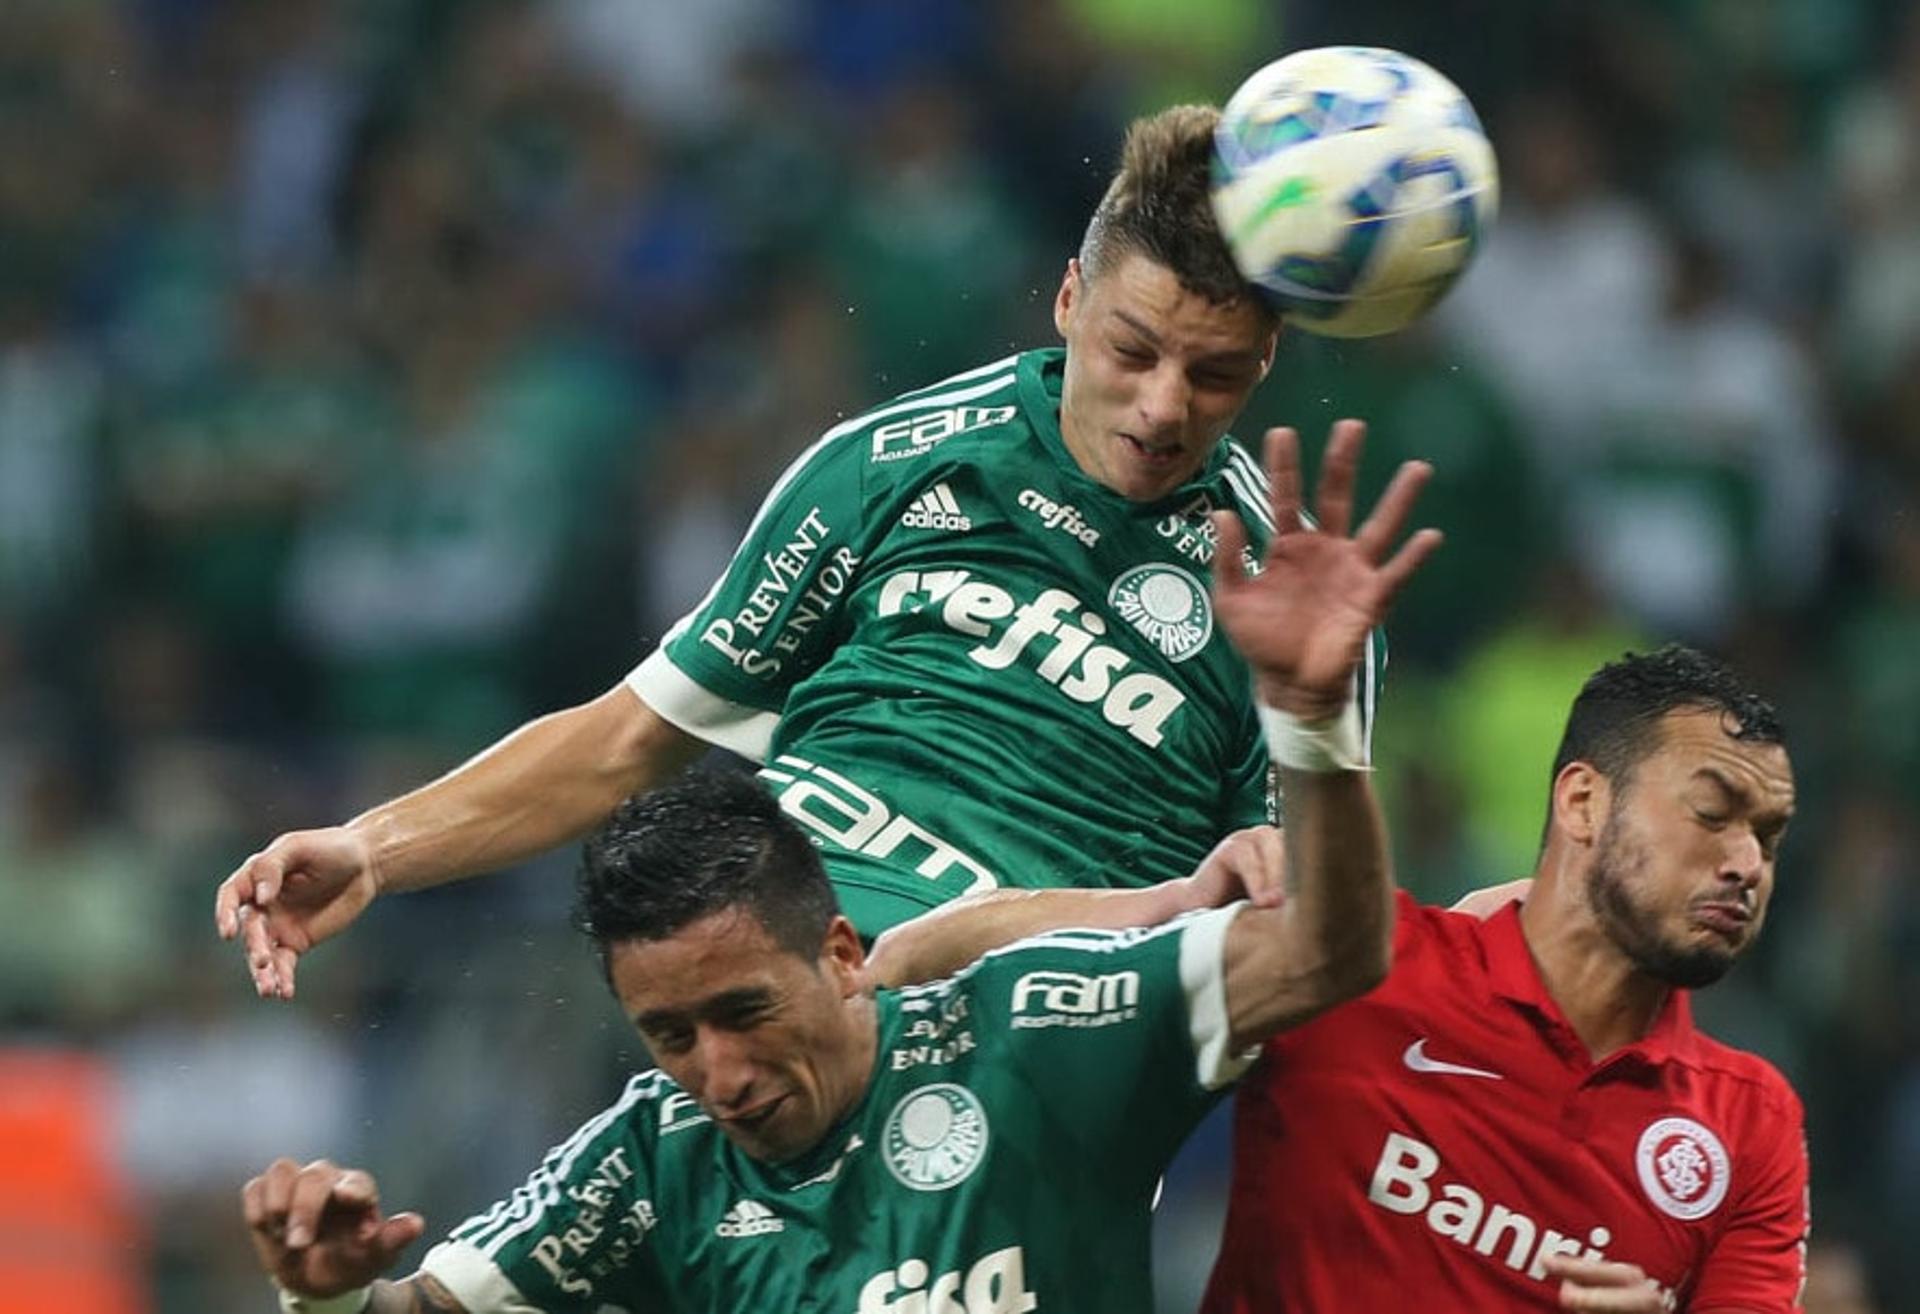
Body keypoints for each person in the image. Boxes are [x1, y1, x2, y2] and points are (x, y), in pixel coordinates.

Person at [238, 439, 1441, 1313]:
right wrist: (328, 1297)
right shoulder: (654, 1157)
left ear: (842, 953)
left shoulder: (1041, 1036)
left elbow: (1329, 950)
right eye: (669, 1034)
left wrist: (1310, 721)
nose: (719, 1075)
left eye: (742, 1014)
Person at [215, 102, 1387, 995]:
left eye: (1216, 373)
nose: (1165, 406)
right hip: (780, 1004)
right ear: (1071, 299)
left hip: (1048, 1050)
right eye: (1134, 350)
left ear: (1267, 368)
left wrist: (1310, 730)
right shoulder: (890, 465)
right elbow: (629, 737)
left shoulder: (1286, 594)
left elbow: (1294, 945)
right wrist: (373, 848)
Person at [871, 645, 1810, 1313]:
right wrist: (1167, 904)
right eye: (1712, 813)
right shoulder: (1361, 966)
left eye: (1767, 836)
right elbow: (943, 961)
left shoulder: (1748, 1124)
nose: (1747, 863)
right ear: (1581, 801)